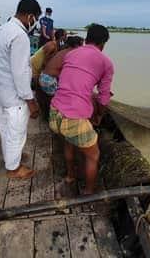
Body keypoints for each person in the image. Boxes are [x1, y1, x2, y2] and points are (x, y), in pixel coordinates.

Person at [49, 24, 114, 195]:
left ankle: (71, 176)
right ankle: (88, 192)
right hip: (73, 117)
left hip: (54, 112)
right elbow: (104, 98)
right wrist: (99, 115)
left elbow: (73, 81)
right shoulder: (106, 63)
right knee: (93, 155)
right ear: (103, 43)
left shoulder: (71, 54)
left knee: (69, 143)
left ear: (86, 39)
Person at [0, 0, 41, 179]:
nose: (34, 24)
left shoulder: (0, 31)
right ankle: (13, 169)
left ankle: (12, 157)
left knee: (6, 130)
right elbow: (20, 73)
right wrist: (31, 101)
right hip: (15, 96)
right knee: (17, 132)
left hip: (1, 91)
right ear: (30, 17)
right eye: (35, 19)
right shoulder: (20, 36)